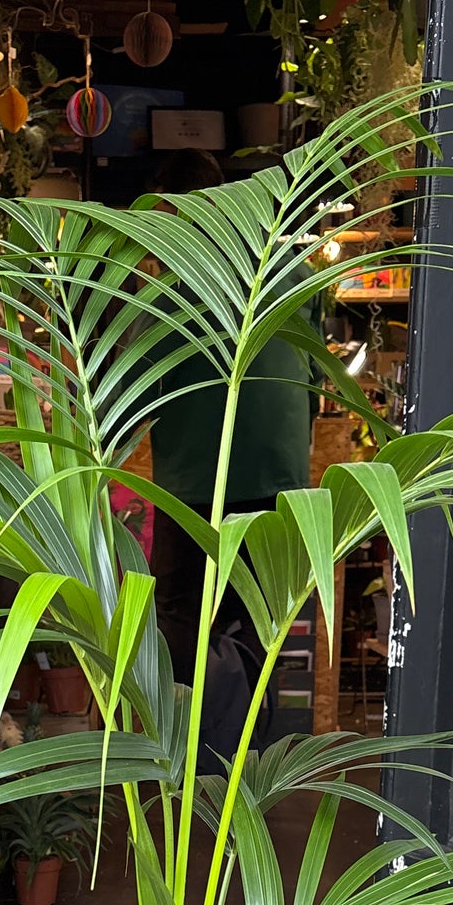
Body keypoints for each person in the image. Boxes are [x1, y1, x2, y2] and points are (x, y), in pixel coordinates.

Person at [142, 149, 319, 758]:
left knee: (185, 620)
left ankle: (191, 749)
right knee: (255, 620)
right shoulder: (288, 269)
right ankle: (247, 742)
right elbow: (317, 373)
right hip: (279, 479)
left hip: (194, 484)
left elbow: (138, 390)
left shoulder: (168, 285)